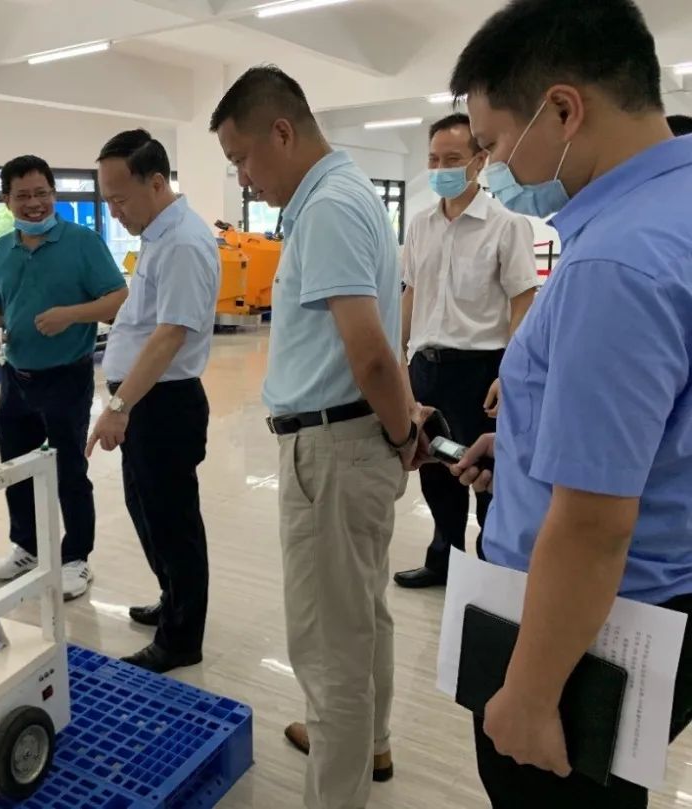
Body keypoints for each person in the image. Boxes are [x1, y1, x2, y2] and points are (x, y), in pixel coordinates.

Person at [445, 1, 692, 806]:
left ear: (562, 110)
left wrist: (530, 692)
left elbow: (593, 523)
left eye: (491, 143)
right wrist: (523, 445)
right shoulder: (673, 210)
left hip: (589, 631)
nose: (490, 168)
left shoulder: (615, 263)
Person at [212, 66, 421, 809]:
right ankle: (368, 740)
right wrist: (398, 428)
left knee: (330, 647)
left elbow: (371, 352)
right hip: (352, 439)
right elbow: (380, 335)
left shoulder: (327, 208)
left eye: (242, 158)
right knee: (362, 613)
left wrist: (402, 430)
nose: (243, 177)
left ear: (282, 132)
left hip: (332, 449)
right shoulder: (349, 194)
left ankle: (339, 785)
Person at [87, 129, 218, 674]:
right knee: (148, 512)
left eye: (120, 198)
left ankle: (181, 639)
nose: (114, 212)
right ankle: (173, 598)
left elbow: (169, 336)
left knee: (172, 522)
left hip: (163, 404)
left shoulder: (183, 242)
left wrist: (118, 408)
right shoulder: (159, 235)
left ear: (157, 182)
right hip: (146, 400)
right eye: (108, 200)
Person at [392, 113, 537, 590]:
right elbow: (411, 292)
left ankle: (491, 571)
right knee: (434, 469)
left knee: (485, 473)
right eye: (433, 159)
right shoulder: (421, 225)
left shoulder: (506, 225)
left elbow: (523, 299)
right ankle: (444, 559)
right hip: (427, 368)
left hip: (481, 371)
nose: (440, 169)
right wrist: (399, 357)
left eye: (452, 159)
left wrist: (509, 371)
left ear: (480, 161)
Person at [0, 155, 127, 601]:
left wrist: (71, 315)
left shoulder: (83, 242)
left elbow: (119, 298)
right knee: (16, 468)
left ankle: (76, 557)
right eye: (23, 196)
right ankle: (27, 547)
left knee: (68, 471)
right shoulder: (1, 249)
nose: (34, 204)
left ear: (54, 194)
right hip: (16, 376)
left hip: (66, 375)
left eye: (42, 193)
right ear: (6, 200)